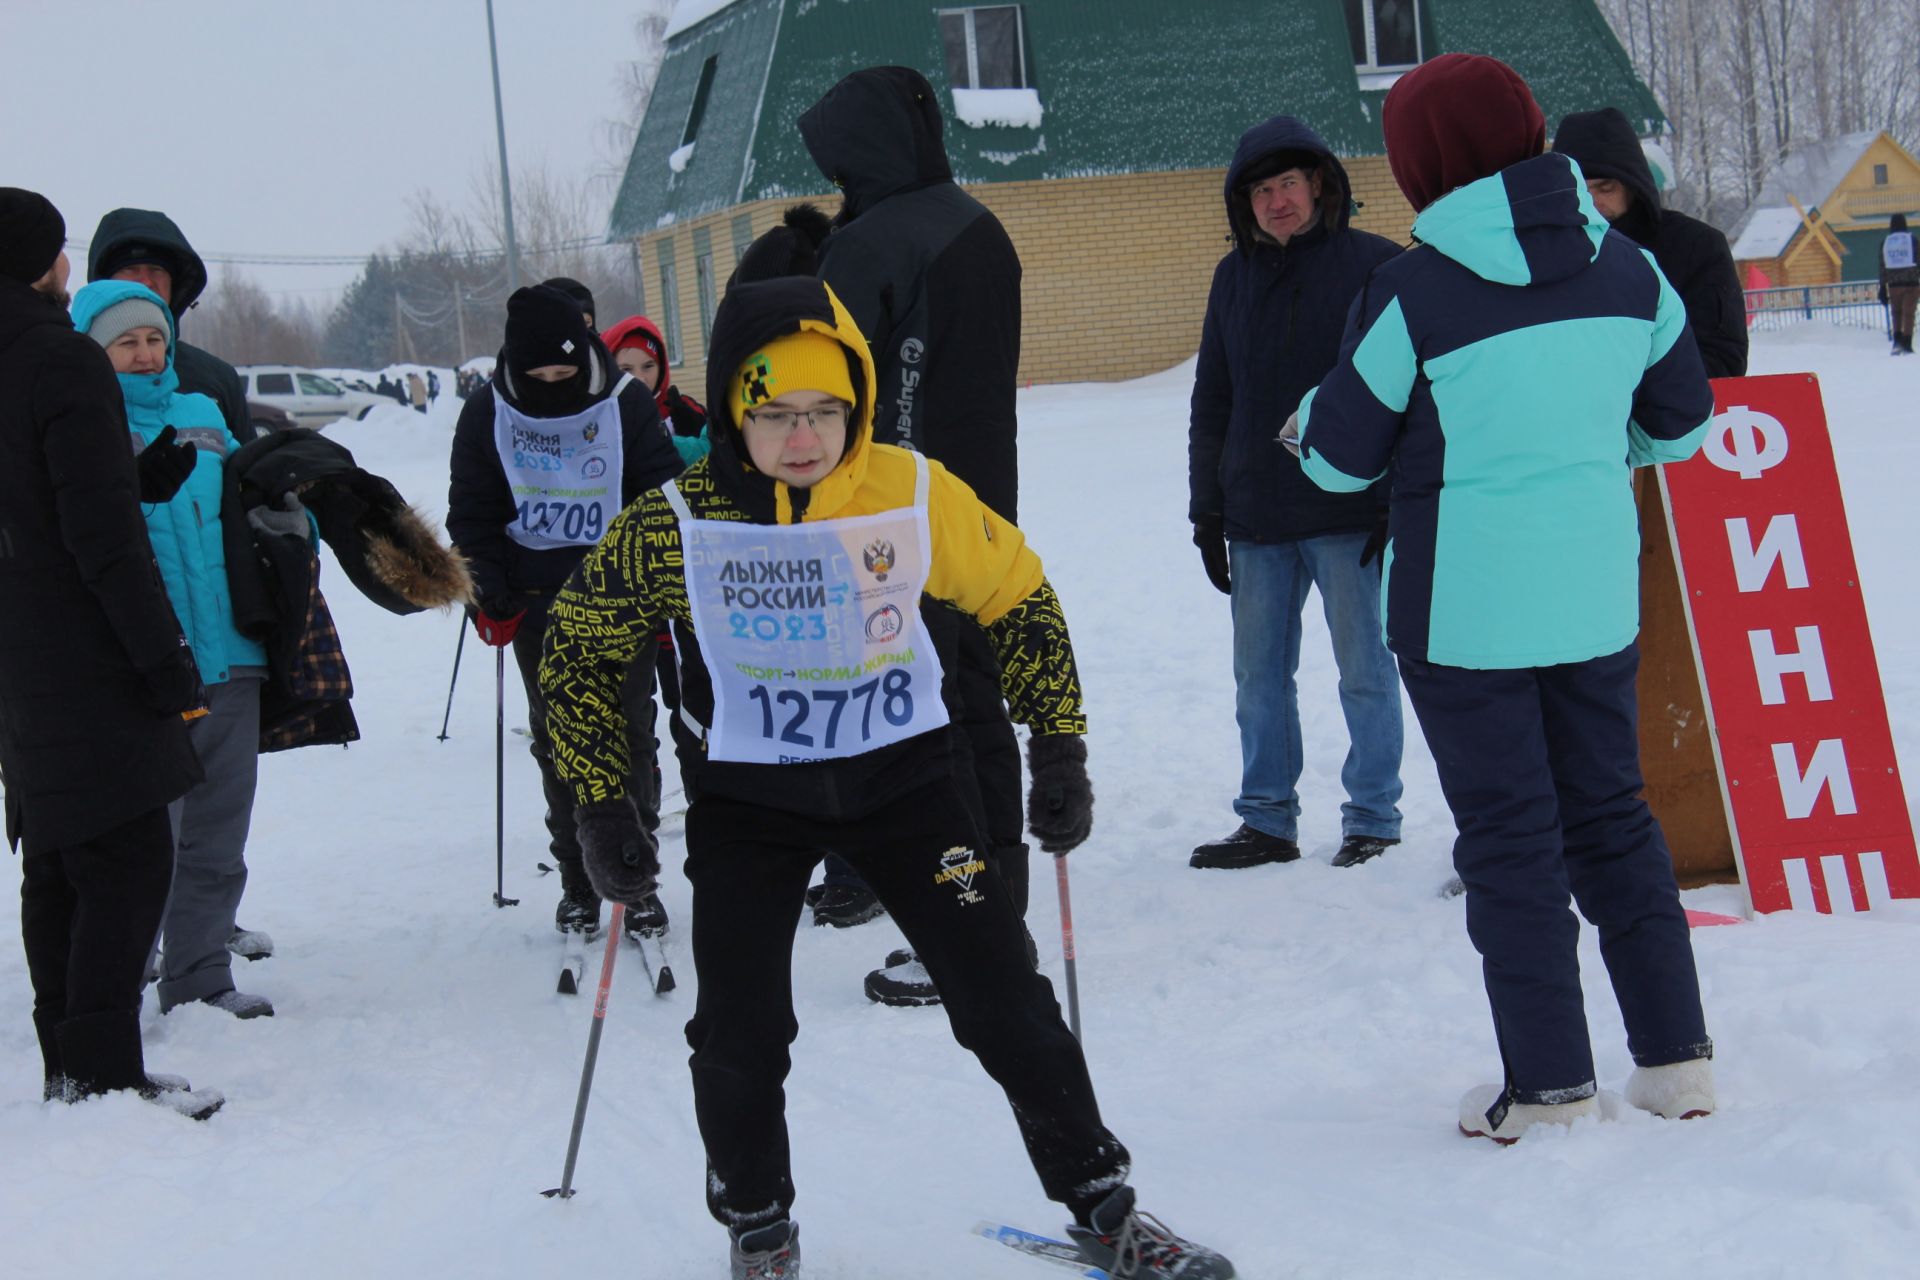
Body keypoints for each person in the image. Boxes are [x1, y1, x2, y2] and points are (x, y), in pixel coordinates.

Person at [538, 275, 1236, 1280]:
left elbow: (1020, 594)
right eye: (775, 412)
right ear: (735, 405)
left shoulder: (908, 488)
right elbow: (579, 649)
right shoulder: (676, 521)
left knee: (1005, 995)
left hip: (906, 783)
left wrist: (1061, 744)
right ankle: (759, 1226)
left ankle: (1103, 1203)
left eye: (826, 410)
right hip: (749, 799)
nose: (804, 435)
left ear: (856, 403)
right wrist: (604, 801)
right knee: (738, 1029)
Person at [1294, 53, 1718, 1142]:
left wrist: (1309, 413)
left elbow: (1338, 462)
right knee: (1616, 820)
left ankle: (1552, 1086)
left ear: (1424, 166)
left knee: (1511, 840)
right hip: (1591, 596)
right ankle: (1677, 1064)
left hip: (1464, 612)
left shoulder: (1411, 289)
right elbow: (1679, 424)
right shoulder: (1630, 271)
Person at [799, 66, 1032, 993]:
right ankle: (991, 915)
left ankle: (973, 935)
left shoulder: (877, 241)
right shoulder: (979, 225)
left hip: (889, 524)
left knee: (931, 727)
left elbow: (824, 389)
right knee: (973, 705)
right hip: (977, 514)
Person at [0, 188, 222, 1119]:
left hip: (18, 661)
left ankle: (73, 1066)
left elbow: (35, 500)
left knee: (56, 862)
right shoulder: (60, 358)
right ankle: (101, 1074)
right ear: (46, 263)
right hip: (88, 656)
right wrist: (165, 661)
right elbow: (97, 542)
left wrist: (131, 477)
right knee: (127, 862)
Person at [1187, 116, 1406, 873]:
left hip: (1351, 510)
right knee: (1258, 679)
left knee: (1365, 673)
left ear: (1319, 186)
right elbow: (1213, 397)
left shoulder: (1378, 267)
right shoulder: (1231, 279)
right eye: (1260, 190)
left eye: (1288, 184)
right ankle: (1267, 820)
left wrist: (1392, 498)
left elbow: (1407, 393)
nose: (1276, 201)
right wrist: (1206, 510)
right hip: (1256, 515)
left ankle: (1373, 817)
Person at [446, 284, 683, 941]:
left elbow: (661, 498)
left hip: (617, 597)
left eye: (565, 372)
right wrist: (486, 588)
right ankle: (580, 879)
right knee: (560, 745)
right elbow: (474, 511)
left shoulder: (624, 404)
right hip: (536, 602)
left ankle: (635, 879)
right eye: (539, 375)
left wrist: (653, 579)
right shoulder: (486, 413)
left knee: (631, 736)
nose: (554, 384)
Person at [71, 279, 279, 1021]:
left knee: (220, 836)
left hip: (230, 654)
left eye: (153, 338)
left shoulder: (205, 414)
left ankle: (199, 978)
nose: (143, 353)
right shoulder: (83, 419)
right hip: (147, 668)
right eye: (124, 342)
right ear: (93, 351)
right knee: (148, 844)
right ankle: (116, 988)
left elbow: (241, 514)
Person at [1552, 107, 1748, 378]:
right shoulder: (1542, 255)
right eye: (1580, 189)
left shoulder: (1696, 247)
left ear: (1633, 184)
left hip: (1670, 416)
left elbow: (1722, 361)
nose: (1592, 201)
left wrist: (1626, 391)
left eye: (1606, 187)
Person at [87, 207, 253, 445]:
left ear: (175, 283)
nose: (145, 280)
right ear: (104, 282)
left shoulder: (216, 378)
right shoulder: (77, 376)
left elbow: (246, 473)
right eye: (130, 269)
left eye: (157, 269)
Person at [1880, 213, 1919, 355]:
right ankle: (1907, 343)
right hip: (1911, 282)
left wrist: (1882, 288)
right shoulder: (1912, 240)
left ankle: (1897, 342)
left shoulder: (1886, 242)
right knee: (1909, 314)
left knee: (1896, 313)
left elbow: (1882, 266)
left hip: (1894, 283)